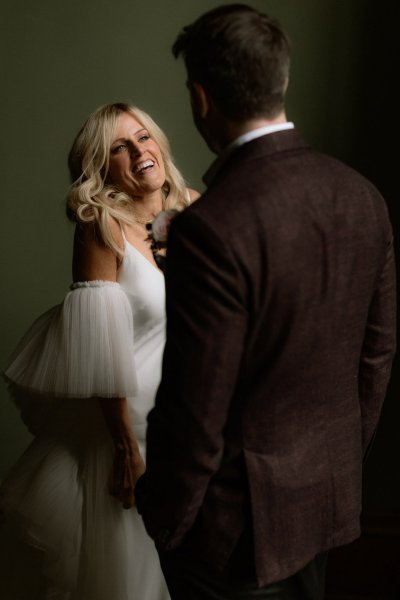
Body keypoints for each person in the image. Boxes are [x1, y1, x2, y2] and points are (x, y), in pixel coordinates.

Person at [134, 5, 397, 600]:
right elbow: (377, 358)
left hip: (230, 535)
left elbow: (195, 409)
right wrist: (335, 468)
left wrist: (165, 521)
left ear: (201, 98)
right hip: (325, 510)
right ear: (282, 81)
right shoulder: (363, 197)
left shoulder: (211, 226)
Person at [0, 102, 198, 600]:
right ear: (101, 166)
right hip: (130, 429)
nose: (139, 152)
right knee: (131, 577)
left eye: (144, 138)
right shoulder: (100, 225)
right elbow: (101, 350)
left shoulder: (198, 210)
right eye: (119, 147)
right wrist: (124, 448)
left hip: (194, 422)